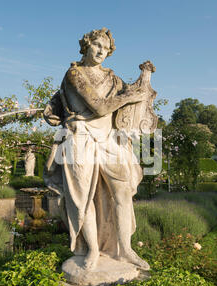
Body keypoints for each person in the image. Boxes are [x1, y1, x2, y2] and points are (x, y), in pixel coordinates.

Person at [43, 28, 150, 271]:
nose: (101, 51)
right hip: (81, 139)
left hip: (110, 140)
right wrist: (130, 96)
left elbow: (129, 111)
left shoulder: (114, 80)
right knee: (83, 199)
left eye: (106, 47)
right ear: (86, 46)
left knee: (122, 193)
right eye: (97, 45)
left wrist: (144, 83)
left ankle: (126, 249)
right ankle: (91, 250)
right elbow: (100, 107)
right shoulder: (75, 74)